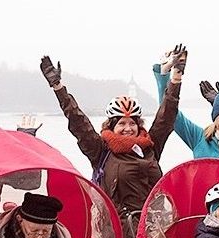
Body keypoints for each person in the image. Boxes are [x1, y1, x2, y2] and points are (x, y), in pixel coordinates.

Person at [44, 48, 181, 221]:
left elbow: (166, 117)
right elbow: (78, 122)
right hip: (118, 232)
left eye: (132, 123)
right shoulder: (100, 149)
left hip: (152, 229)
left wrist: (176, 79)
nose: (128, 128)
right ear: (112, 126)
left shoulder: (149, 146)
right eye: (121, 123)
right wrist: (58, 88)